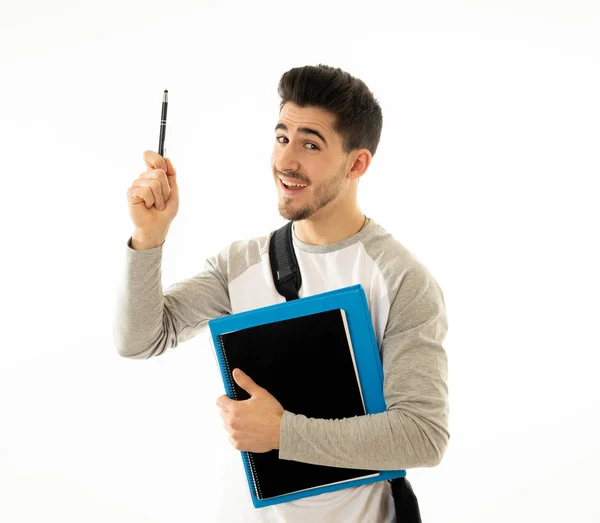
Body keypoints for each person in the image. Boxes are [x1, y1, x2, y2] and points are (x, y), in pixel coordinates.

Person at [114, 64, 449, 523]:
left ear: (357, 163)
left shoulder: (400, 279)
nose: (286, 161)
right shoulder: (240, 263)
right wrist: (148, 236)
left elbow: (422, 436)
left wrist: (283, 433)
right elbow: (139, 339)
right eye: (281, 137)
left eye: (310, 144)